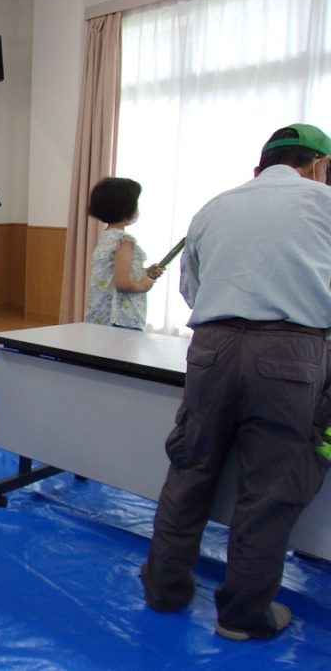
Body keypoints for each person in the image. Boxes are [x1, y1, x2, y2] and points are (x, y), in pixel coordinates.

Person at [140, 123, 331, 641]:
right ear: (318, 166)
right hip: (293, 352)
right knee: (269, 487)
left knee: (190, 468)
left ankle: (164, 588)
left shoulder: (215, 206)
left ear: (259, 166)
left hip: (213, 347)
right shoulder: (325, 203)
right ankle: (241, 615)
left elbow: (192, 289)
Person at [83, 177, 164, 330]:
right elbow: (123, 283)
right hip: (121, 319)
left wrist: (144, 272)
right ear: (127, 208)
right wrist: (145, 283)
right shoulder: (124, 241)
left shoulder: (106, 237)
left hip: (100, 316)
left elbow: (113, 273)